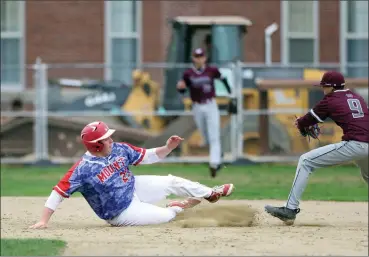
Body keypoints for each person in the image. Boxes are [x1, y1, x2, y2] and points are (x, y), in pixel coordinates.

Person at [29, 121, 235, 228]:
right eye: (106, 138)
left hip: (133, 187)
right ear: (97, 145)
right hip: (120, 212)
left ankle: (210, 193)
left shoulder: (118, 148)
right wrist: (44, 221)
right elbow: (58, 192)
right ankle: (175, 208)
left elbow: (148, 156)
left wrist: (168, 147)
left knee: (171, 181)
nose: (111, 139)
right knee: (165, 217)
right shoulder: (82, 169)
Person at [265, 71, 369, 225]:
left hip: (355, 144)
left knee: (306, 161)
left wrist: (300, 123)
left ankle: (290, 210)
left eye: (324, 86)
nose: (322, 89)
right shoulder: (357, 98)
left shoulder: (330, 99)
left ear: (331, 87)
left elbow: (307, 120)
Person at [176, 48, 232, 178]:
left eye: (201, 56)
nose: (199, 59)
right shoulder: (188, 73)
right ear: (193, 58)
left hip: (210, 104)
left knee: (214, 136)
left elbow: (223, 79)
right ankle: (218, 156)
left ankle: (214, 164)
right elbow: (183, 89)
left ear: (205, 58)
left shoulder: (211, 70)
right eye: (196, 56)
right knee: (205, 136)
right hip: (197, 106)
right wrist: (180, 90)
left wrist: (230, 92)